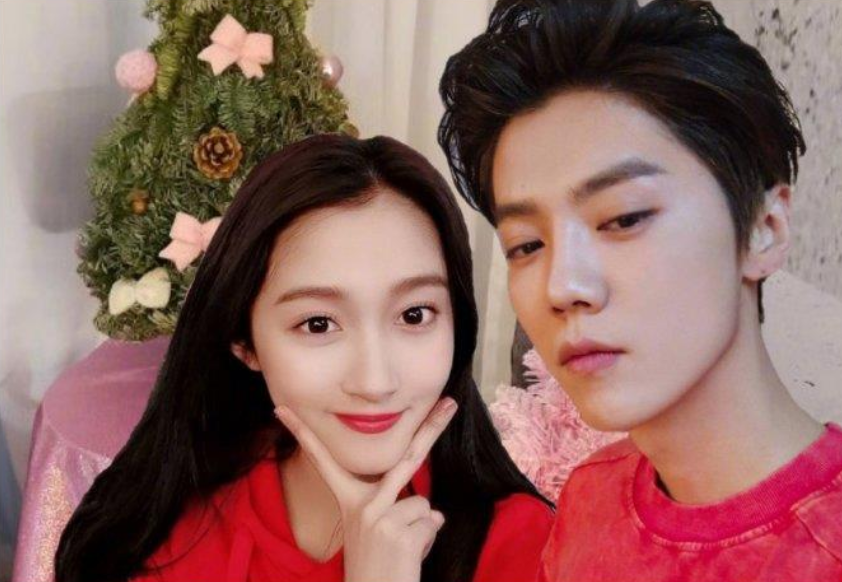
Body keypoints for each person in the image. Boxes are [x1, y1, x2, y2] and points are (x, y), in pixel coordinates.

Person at [438, 0, 842, 580]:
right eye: (526, 245)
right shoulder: (590, 496)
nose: (562, 287)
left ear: (764, 229)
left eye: (624, 218)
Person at [54, 134, 553, 582]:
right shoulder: (163, 538)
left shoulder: (530, 549)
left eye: (414, 315)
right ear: (244, 342)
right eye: (318, 324)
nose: (375, 381)